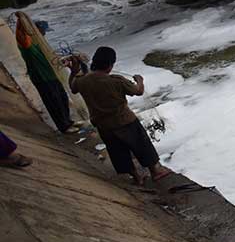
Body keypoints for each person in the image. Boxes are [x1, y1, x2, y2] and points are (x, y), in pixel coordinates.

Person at [69, 46, 170, 186]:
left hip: (103, 125)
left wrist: (73, 72)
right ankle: (156, 171)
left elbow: (73, 88)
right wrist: (140, 80)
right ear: (110, 65)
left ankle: (136, 177)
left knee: (117, 151)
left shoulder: (82, 81)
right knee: (142, 146)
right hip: (125, 121)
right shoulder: (116, 81)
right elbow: (138, 91)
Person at [14, 16, 76, 134]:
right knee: (53, 102)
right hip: (42, 78)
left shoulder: (40, 44)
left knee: (62, 98)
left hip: (52, 75)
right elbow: (21, 35)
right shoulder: (28, 45)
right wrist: (21, 20)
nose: (44, 34)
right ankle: (64, 127)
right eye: (43, 31)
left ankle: (68, 121)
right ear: (36, 30)